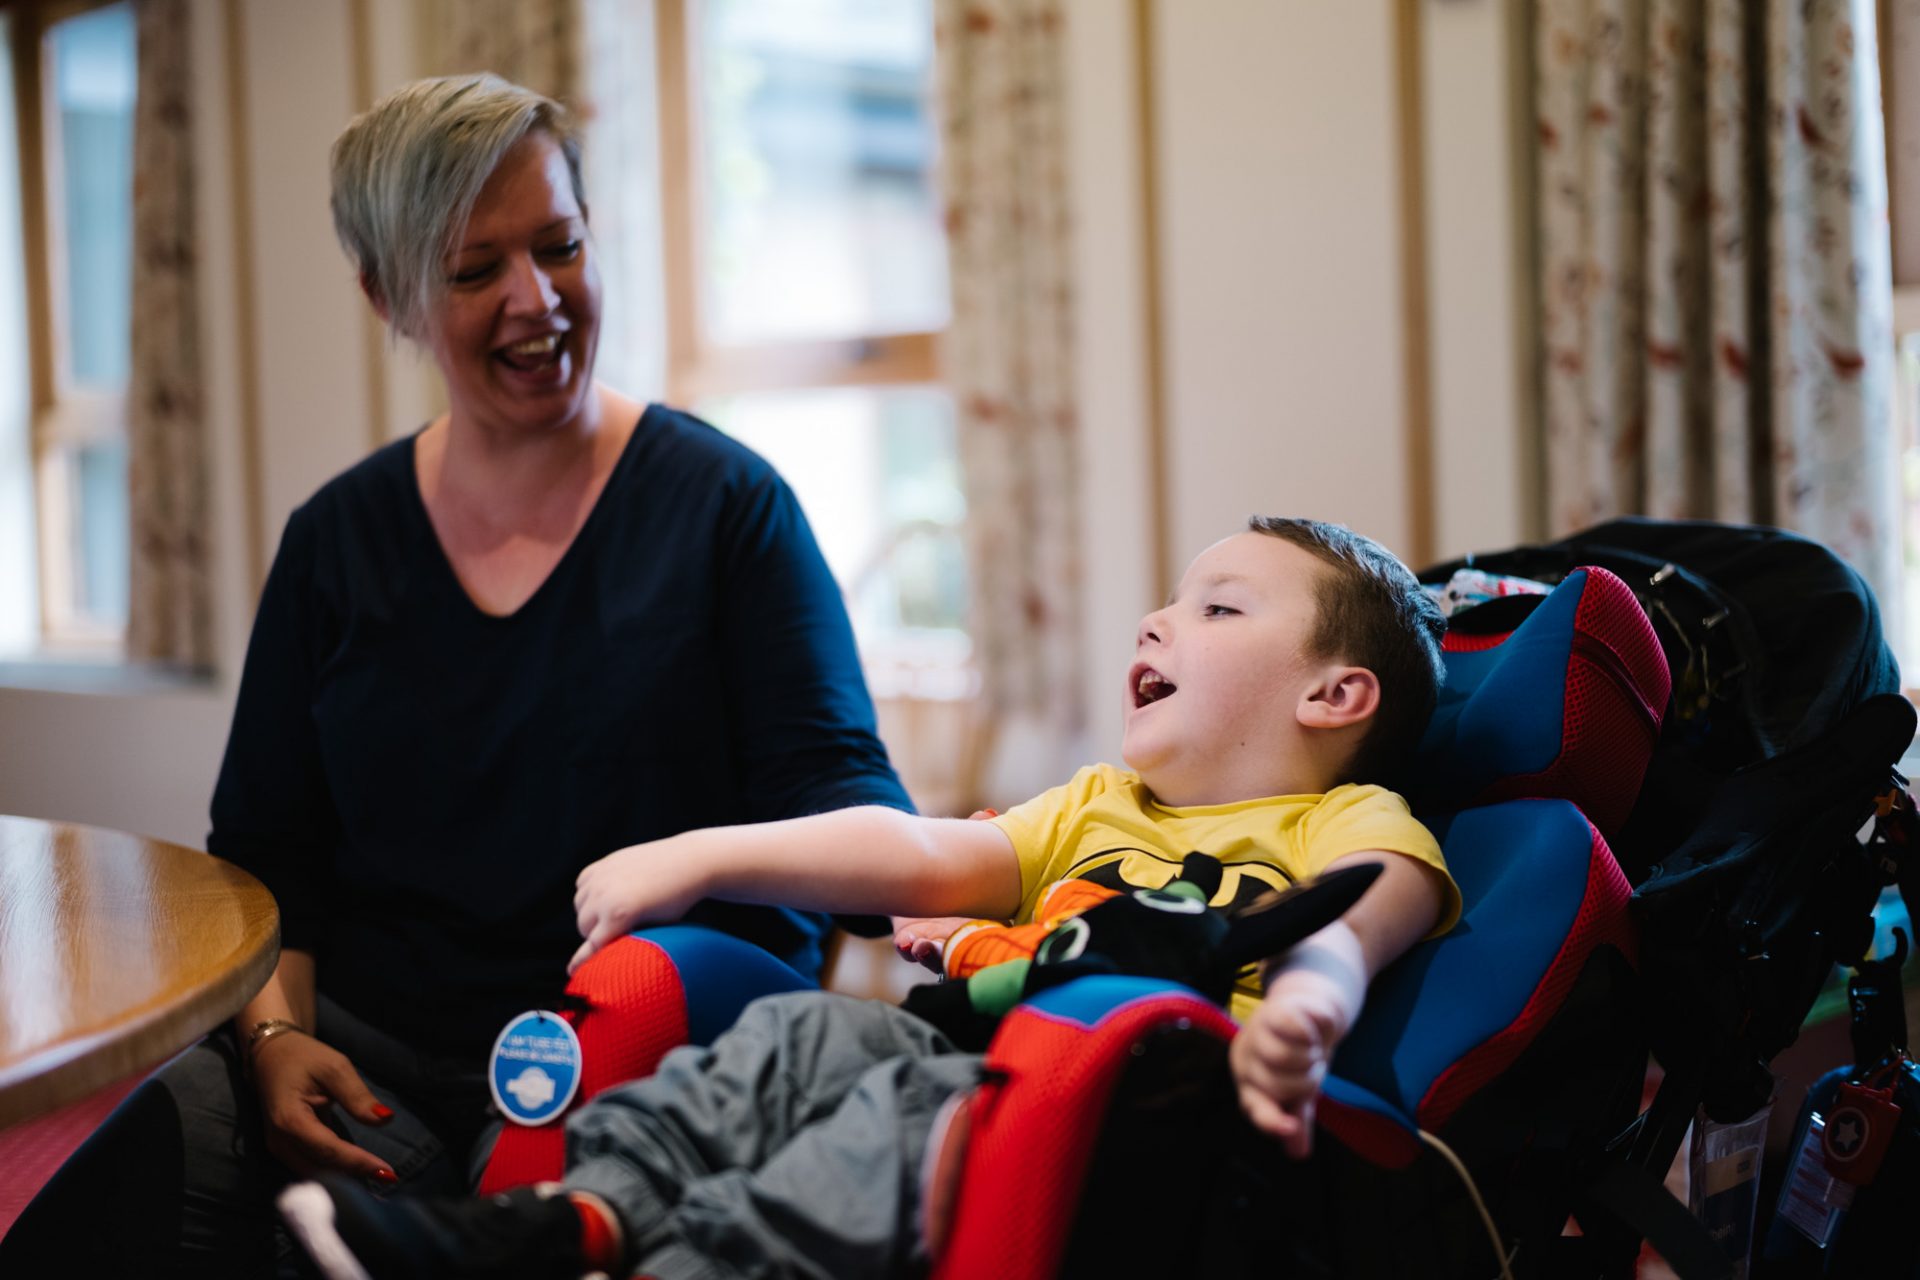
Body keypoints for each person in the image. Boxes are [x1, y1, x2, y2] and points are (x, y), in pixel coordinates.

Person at [0, 74, 910, 1276]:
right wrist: (273, 1040)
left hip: (629, 1051)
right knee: (101, 1195)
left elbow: (844, 805)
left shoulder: (728, 512)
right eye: (475, 270)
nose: (537, 299)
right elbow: (270, 854)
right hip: (363, 1050)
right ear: (391, 296)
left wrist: (975, 891)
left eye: (560, 245)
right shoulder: (337, 540)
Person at [278, 516, 1463, 1280]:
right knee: (793, 1034)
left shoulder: (1339, 819)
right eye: (1172, 597)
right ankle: (568, 1223)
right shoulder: (1101, 805)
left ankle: (654, 1259)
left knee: (878, 1128)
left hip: (1119, 1100)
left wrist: (1308, 997)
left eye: (1219, 607)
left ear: (1334, 694)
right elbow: (913, 847)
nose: (1159, 617)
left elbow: (1367, 912)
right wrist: (702, 853)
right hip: (964, 1045)